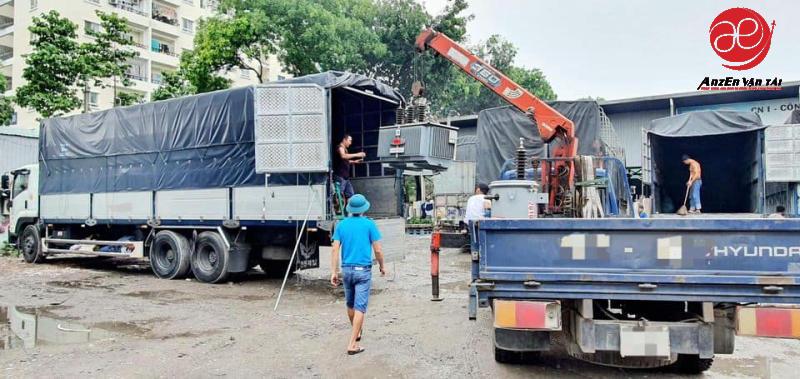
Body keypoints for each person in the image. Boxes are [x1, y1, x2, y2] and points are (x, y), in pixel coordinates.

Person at [330, 194, 387, 355]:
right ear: (364, 209)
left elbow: (335, 249)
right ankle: (352, 344)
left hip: (347, 270)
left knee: (350, 304)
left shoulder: (341, 225)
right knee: (360, 307)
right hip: (363, 272)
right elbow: (378, 250)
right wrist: (382, 266)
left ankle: (358, 331)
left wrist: (334, 271)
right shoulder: (369, 224)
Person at [334, 134, 365, 201]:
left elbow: (345, 161)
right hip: (340, 177)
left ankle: (350, 211)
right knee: (339, 196)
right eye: (349, 141)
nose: (350, 143)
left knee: (350, 195)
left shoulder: (345, 149)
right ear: (344, 140)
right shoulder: (340, 147)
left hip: (346, 177)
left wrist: (354, 161)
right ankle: (338, 211)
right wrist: (357, 154)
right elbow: (343, 156)